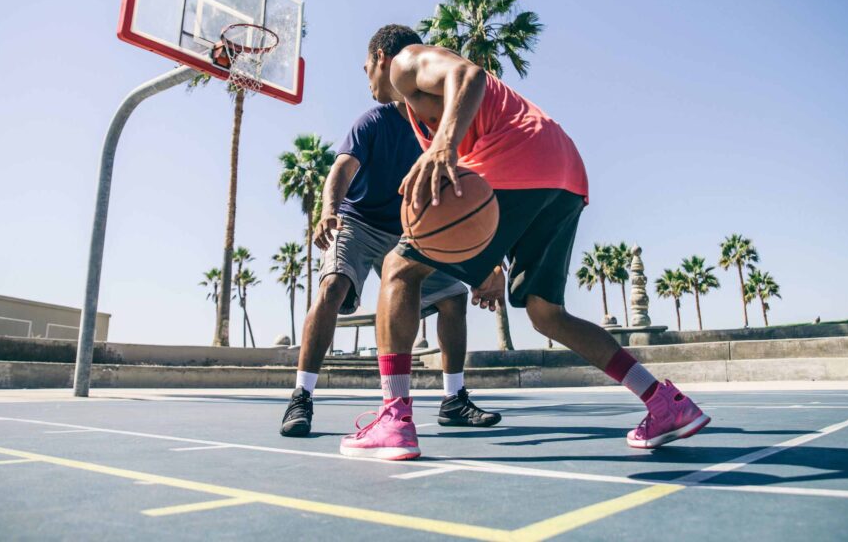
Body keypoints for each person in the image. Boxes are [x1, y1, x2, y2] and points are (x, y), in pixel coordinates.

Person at [340, 25, 710, 460]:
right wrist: (489, 261)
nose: (365, 76)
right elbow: (482, 210)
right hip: (564, 172)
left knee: (399, 268)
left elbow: (471, 74)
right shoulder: (419, 110)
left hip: (517, 157)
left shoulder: (406, 62)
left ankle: (394, 419)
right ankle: (663, 401)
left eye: (365, 66)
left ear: (381, 56)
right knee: (546, 312)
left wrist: (443, 145)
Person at [279, 97, 501, 437]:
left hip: (409, 230)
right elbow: (342, 167)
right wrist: (329, 210)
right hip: (357, 221)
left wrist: (489, 260)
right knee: (333, 286)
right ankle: (302, 396)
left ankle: (454, 399)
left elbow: (469, 199)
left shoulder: (439, 128)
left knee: (453, 299)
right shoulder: (372, 121)